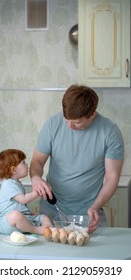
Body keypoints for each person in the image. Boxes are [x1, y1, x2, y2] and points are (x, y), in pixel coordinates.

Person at [29, 84, 124, 234]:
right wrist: (35, 177)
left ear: (92, 114)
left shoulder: (110, 132)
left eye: (77, 122)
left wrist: (95, 206)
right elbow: (37, 162)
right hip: (51, 210)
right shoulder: (52, 124)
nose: (69, 126)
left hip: (89, 213)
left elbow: (112, 178)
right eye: (67, 120)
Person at [0, 149, 52, 235]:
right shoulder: (8, 184)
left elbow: (20, 205)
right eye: (23, 162)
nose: (27, 164)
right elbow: (23, 200)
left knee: (44, 218)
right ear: (13, 170)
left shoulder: (16, 183)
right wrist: (36, 193)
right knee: (16, 215)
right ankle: (36, 230)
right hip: (6, 223)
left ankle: (51, 232)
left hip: (20, 222)